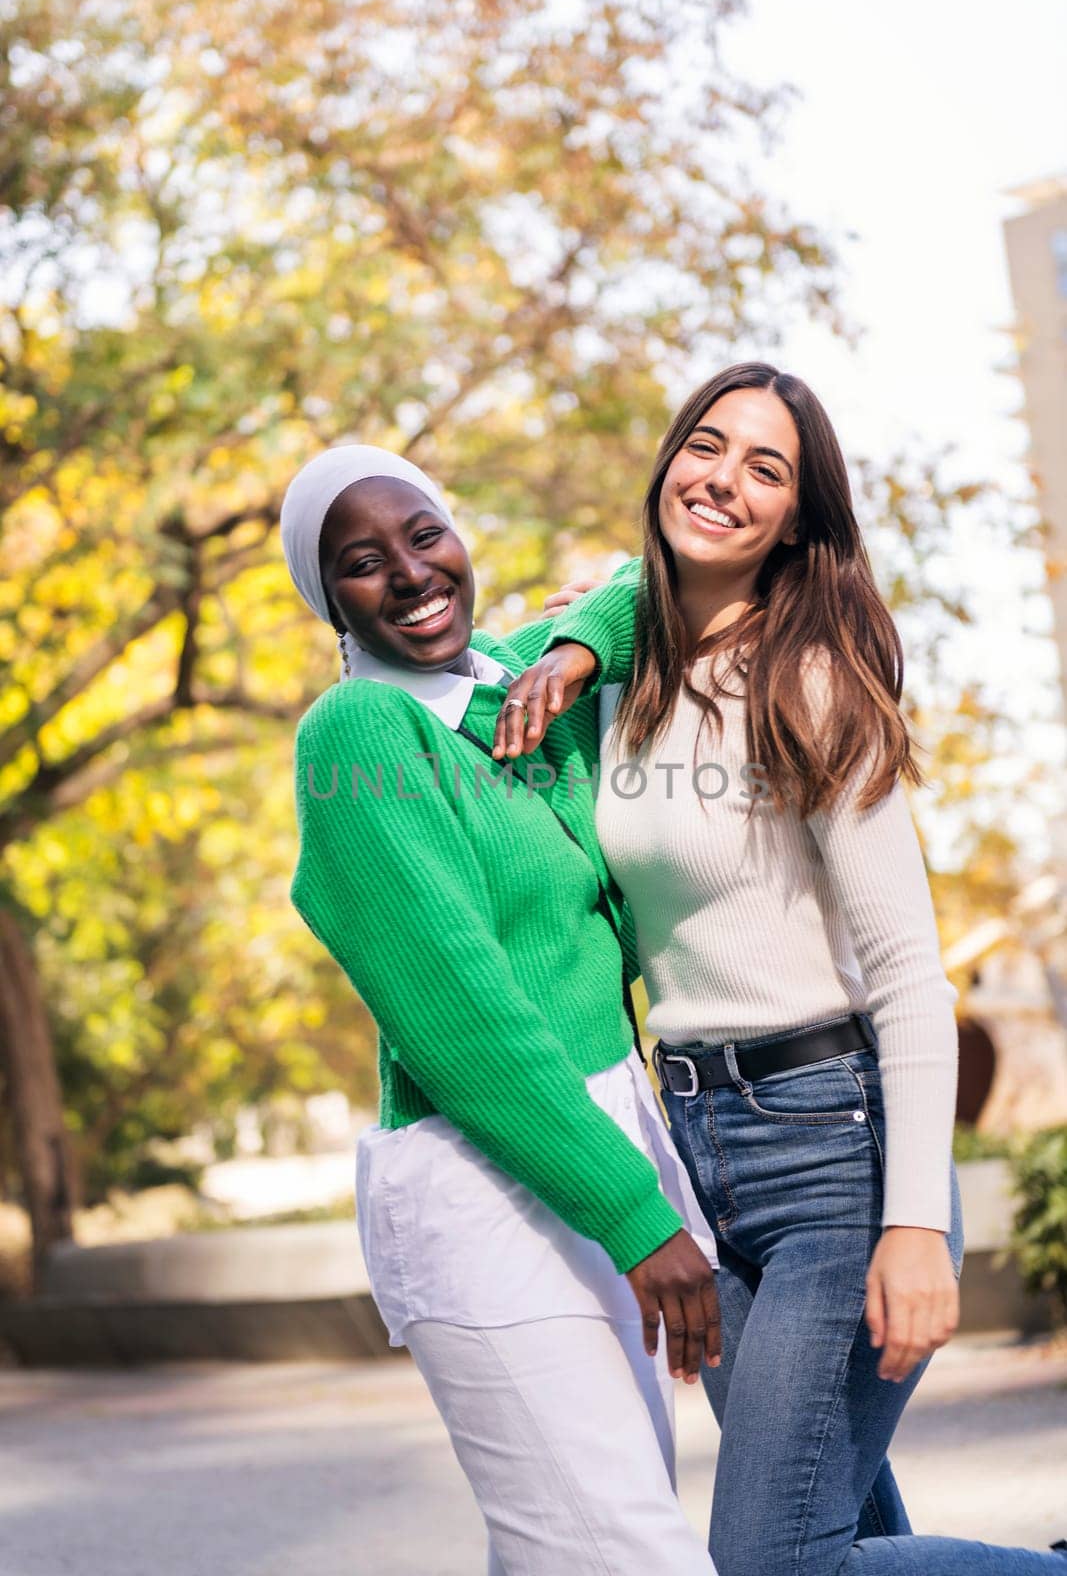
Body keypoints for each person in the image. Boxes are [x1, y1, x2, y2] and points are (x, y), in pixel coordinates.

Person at [493, 364, 1067, 1576]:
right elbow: (572, 620)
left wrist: (914, 1222)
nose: (722, 480)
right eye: (706, 446)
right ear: (665, 463)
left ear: (798, 520)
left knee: (771, 1559)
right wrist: (579, 637)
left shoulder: (805, 682)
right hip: (698, 1156)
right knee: (834, 1525)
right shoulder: (623, 675)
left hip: (832, 1157)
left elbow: (911, 972)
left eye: (767, 468)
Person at [279, 444, 721, 1576]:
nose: (410, 573)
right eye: (362, 562)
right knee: (618, 1549)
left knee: (576, 1542)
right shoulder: (361, 734)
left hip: (597, 1143)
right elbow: (460, 1018)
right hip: (490, 1191)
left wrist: (574, 649)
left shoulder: (512, 688)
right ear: (329, 598)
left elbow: (652, 577)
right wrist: (634, 1215)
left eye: (424, 534)